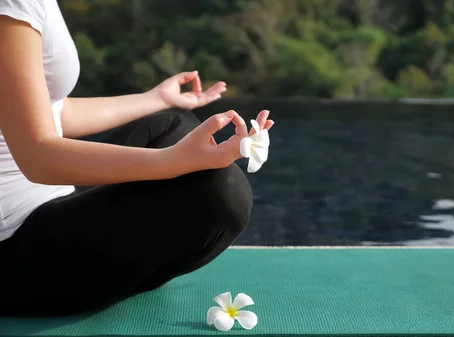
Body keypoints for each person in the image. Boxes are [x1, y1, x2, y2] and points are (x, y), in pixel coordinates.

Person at [0, 0, 274, 317]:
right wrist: (172, 162)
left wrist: (155, 99)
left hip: (49, 200)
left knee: (173, 123)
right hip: (15, 247)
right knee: (222, 193)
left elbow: (54, 112)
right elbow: (37, 156)